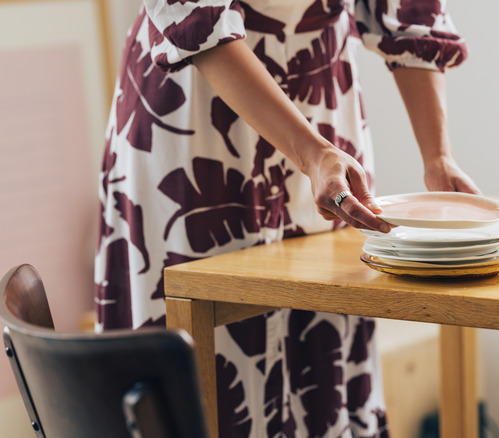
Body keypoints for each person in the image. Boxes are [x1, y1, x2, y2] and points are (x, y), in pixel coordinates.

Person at [94, 1, 478, 436]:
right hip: (196, 109)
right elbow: (197, 18)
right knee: (205, 345)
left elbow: (411, 12)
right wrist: (311, 153)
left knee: (320, 341)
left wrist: (437, 155)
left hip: (323, 105)